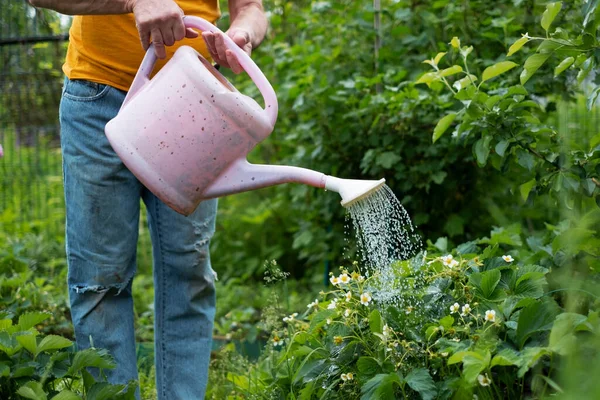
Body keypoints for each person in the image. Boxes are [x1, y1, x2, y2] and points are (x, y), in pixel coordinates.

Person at [26, 0, 268, 398]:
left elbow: (252, 9)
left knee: (189, 274)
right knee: (99, 283)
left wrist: (242, 34)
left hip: (197, 103)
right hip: (98, 99)